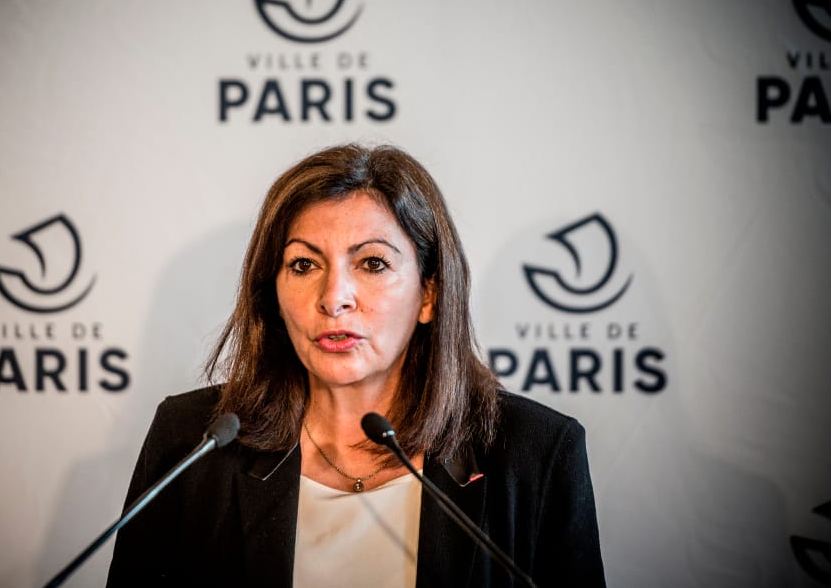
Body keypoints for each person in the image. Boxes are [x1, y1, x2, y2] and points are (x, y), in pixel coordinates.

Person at [106, 143, 606, 587]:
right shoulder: (191, 443)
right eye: (304, 264)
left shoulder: (535, 453)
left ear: (429, 294)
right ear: (273, 291)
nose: (334, 298)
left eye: (372, 264)